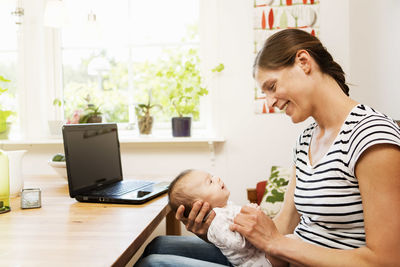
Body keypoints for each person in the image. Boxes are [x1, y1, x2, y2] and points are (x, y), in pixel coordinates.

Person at [134, 29, 400, 266]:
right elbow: (284, 225)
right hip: (281, 259)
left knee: (154, 264)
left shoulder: (372, 137)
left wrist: (276, 244)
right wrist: (216, 230)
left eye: (271, 87)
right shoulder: (307, 138)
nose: (271, 101)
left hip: (288, 256)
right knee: (160, 245)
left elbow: (387, 260)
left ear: (304, 62)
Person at [167, 169, 272, 267]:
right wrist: (250, 221)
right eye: (210, 182)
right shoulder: (217, 222)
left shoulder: (227, 207)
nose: (217, 178)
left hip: (261, 253)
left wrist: (252, 213)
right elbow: (238, 244)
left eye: (212, 177)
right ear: (200, 204)